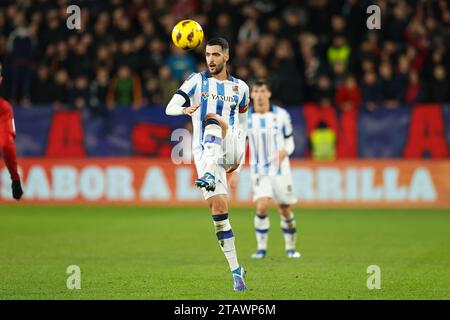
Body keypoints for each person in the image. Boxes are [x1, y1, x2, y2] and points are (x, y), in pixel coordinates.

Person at [165, 38, 249, 291]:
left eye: (215, 54)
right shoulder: (195, 81)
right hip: (204, 153)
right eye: (207, 54)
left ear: (226, 56)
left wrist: (241, 156)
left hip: (231, 145)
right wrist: (185, 110)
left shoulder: (241, 88)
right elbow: (170, 108)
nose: (210, 59)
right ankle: (236, 271)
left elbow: (243, 124)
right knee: (219, 213)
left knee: (212, 118)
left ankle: (211, 175)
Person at [246, 79, 301, 260]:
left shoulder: (282, 115)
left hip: (281, 170)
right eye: (256, 91)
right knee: (261, 207)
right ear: (252, 95)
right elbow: (239, 143)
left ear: (269, 93)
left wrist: (285, 151)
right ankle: (261, 249)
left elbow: (290, 140)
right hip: (259, 170)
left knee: (284, 208)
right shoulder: (245, 118)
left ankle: (291, 248)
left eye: (263, 91)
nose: (260, 95)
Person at [0, 63, 23, 200]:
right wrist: (15, 178)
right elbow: (6, 145)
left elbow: (6, 145)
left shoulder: (4, 110)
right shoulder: (4, 109)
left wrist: (15, 179)